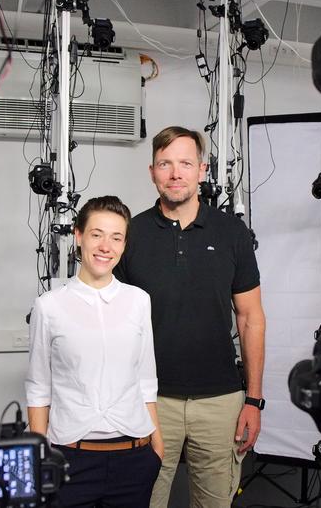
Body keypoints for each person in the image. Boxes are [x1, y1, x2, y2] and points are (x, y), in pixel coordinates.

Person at [114, 126, 266, 508]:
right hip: (150, 400)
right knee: (144, 500)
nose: (175, 173)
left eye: (185, 163)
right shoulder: (131, 235)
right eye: (165, 164)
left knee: (214, 504)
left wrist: (254, 400)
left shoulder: (232, 232)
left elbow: (251, 319)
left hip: (221, 401)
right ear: (152, 172)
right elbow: (112, 323)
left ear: (203, 169)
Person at [25, 195, 164, 507]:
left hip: (135, 456)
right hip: (70, 458)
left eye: (116, 237)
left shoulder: (139, 300)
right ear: (78, 236)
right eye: (97, 234)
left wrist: (157, 445)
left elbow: (146, 379)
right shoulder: (49, 306)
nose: (106, 246)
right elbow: (38, 387)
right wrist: (41, 454)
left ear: (124, 245)